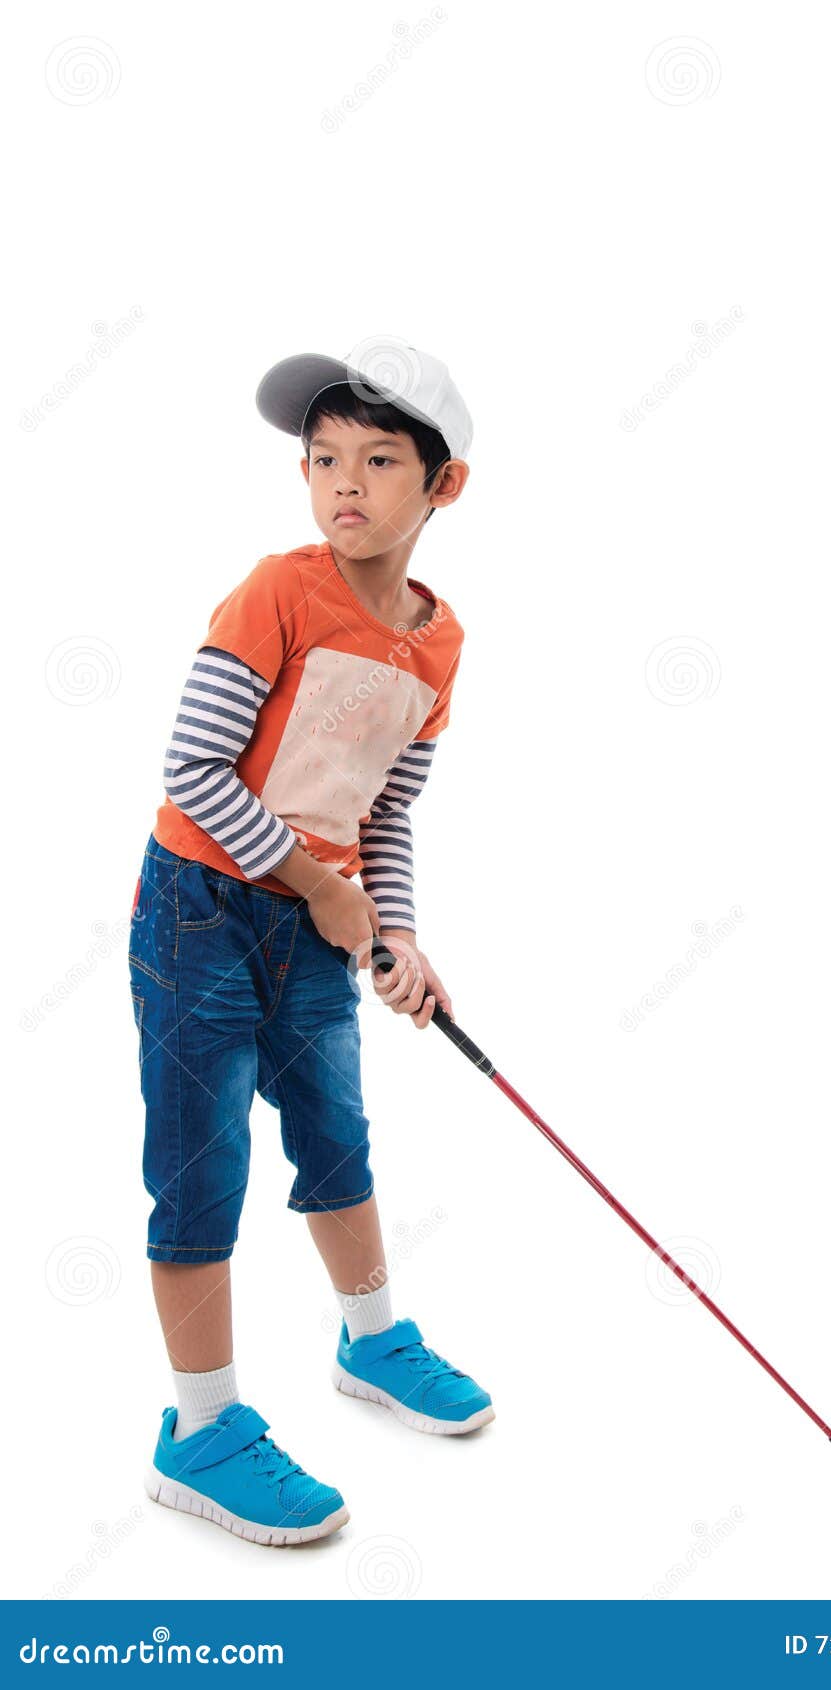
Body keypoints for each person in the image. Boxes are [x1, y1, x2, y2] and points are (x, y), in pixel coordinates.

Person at [128, 342, 492, 1547]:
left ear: (442, 488)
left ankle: (373, 1339)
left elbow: (384, 808)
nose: (345, 482)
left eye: (381, 459)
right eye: (324, 458)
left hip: (317, 921)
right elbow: (191, 768)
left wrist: (394, 929)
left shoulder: (437, 647)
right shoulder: (277, 594)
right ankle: (202, 1430)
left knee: (336, 1131)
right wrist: (317, 888)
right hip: (202, 911)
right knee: (200, 1165)